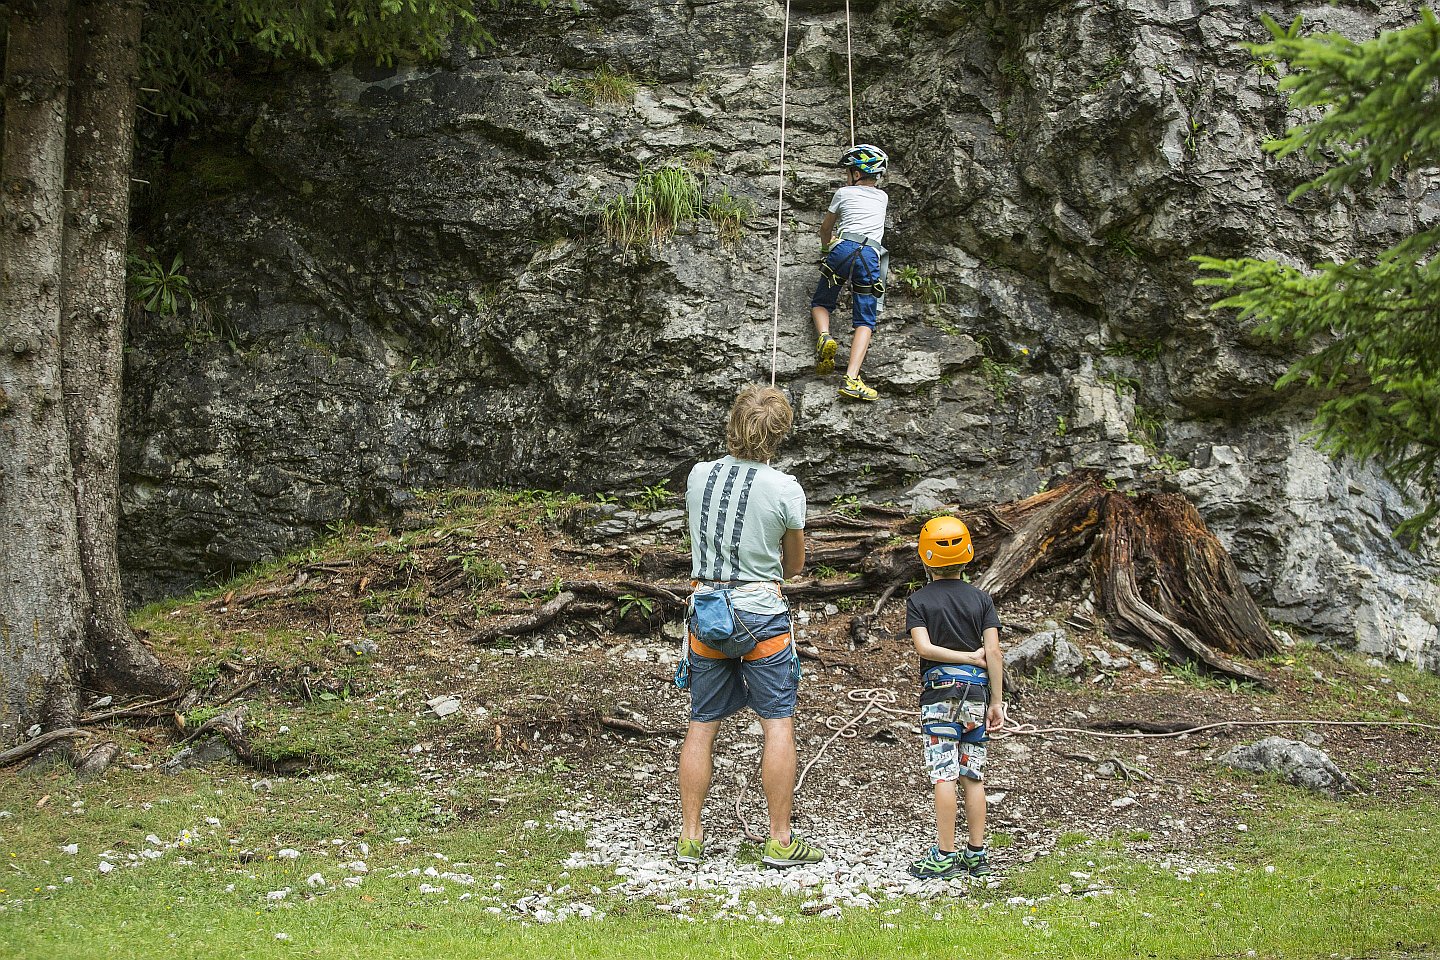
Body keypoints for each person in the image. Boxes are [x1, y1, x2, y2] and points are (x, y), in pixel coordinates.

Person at [675, 385, 825, 869]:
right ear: (779, 434)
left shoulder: (699, 476)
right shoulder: (786, 489)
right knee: (776, 723)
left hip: (709, 613)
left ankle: (691, 837)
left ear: (733, 422)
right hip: (762, 613)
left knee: (702, 724)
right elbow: (796, 565)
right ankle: (779, 841)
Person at [904, 516, 1006, 879]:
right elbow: (992, 653)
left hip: (940, 694)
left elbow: (924, 647)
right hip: (978, 692)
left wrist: (959, 657)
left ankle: (944, 855)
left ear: (925, 558)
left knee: (943, 774)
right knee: (972, 774)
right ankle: (976, 853)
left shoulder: (918, 601)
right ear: (968, 556)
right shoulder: (981, 599)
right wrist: (997, 700)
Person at [810, 143, 890, 403]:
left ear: (856, 174)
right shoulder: (883, 197)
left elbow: (826, 228)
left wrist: (826, 248)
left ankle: (824, 336)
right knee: (865, 320)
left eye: (849, 171)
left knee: (822, 302)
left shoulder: (843, 193)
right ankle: (852, 378)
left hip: (842, 249)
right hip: (869, 256)